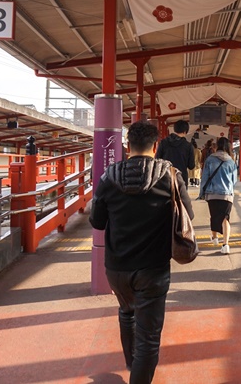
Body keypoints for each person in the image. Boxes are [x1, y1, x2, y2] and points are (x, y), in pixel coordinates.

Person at [89, 121, 194, 384]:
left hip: (116, 268)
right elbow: (188, 216)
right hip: (153, 269)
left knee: (127, 311)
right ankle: (138, 372)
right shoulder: (170, 175)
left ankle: (132, 364)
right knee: (148, 339)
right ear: (156, 146)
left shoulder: (108, 177)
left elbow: (97, 222)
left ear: (127, 145)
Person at [198, 136, 238, 254]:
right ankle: (225, 245)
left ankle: (215, 238)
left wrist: (202, 193)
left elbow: (204, 177)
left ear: (217, 146)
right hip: (226, 194)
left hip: (212, 193)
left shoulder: (210, 159)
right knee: (225, 218)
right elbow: (234, 180)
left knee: (214, 216)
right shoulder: (231, 161)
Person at [155, 119, 196, 186]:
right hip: (181, 179)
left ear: (175, 129)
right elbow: (191, 166)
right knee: (181, 196)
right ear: (185, 131)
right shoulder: (188, 146)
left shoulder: (163, 143)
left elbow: (157, 160)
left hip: (165, 178)